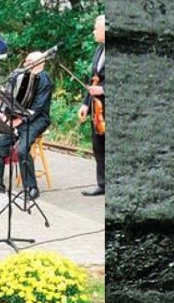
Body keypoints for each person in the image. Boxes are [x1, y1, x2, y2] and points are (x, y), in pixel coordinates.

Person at [0, 51, 53, 199]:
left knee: (21, 149)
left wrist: (19, 121)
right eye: (25, 61)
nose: (25, 63)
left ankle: (31, 188)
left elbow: (38, 107)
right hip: (17, 117)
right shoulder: (21, 75)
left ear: (39, 62)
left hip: (37, 119)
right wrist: (5, 114)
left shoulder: (45, 81)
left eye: (28, 61)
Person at [79, 15, 107, 197]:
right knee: (99, 146)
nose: (93, 31)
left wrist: (103, 89)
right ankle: (102, 184)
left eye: (96, 28)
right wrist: (85, 104)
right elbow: (93, 80)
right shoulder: (99, 49)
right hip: (97, 108)